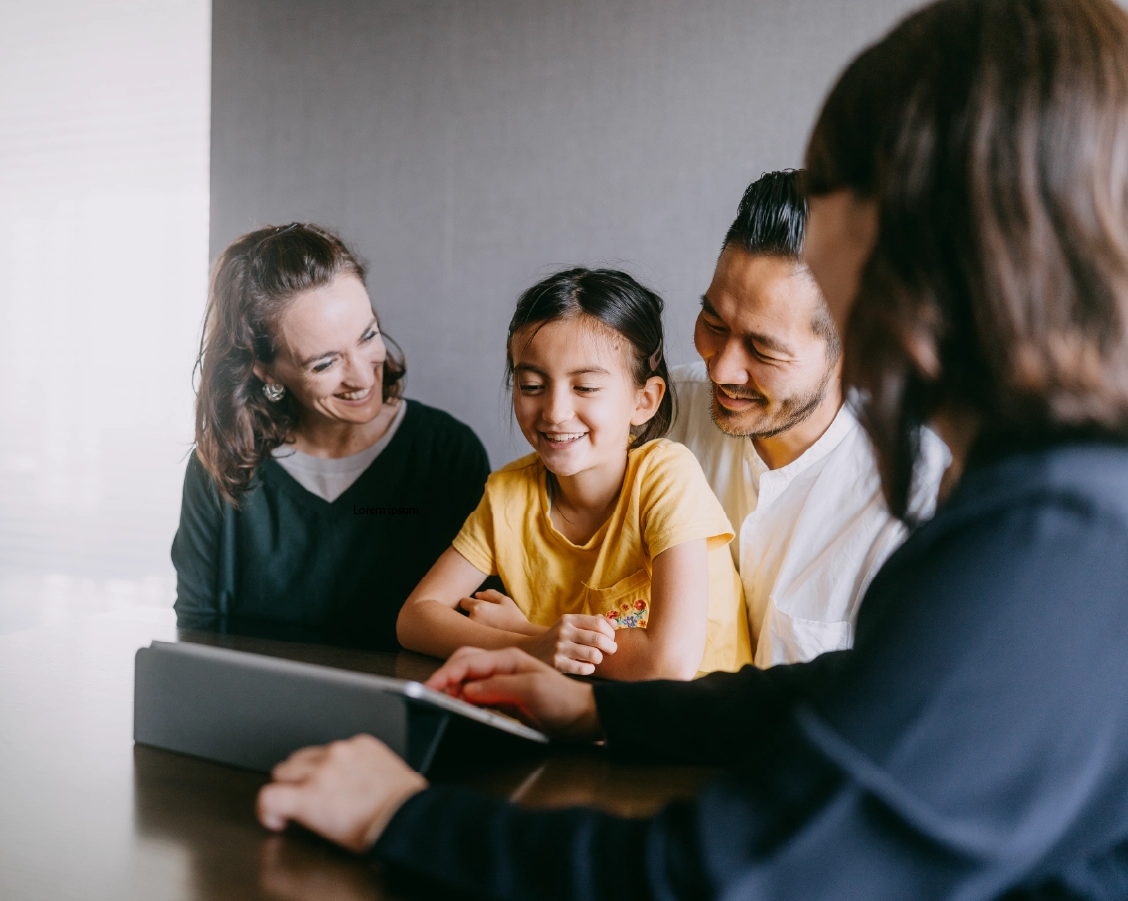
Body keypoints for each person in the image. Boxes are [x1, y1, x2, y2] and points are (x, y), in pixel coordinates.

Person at [253, 0, 1128, 897]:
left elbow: (735, 875)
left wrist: (400, 815)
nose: (716, 360)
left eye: (834, 196)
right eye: (712, 321)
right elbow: (851, 692)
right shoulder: (1061, 502)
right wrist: (602, 704)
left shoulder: (1056, 542)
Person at [396, 268, 751, 679]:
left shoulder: (666, 477)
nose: (554, 412)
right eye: (531, 385)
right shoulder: (508, 492)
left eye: (584, 387)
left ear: (644, 401)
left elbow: (667, 663)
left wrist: (531, 635)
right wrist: (532, 647)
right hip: (575, 722)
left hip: (692, 733)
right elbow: (415, 618)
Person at [669, 168, 949, 666]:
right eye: (713, 322)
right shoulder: (657, 414)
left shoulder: (919, 497)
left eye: (763, 349)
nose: (723, 368)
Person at [171, 223, 489, 649]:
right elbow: (195, 639)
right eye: (324, 364)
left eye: (368, 336)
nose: (361, 376)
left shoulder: (447, 455)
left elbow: (476, 632)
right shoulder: (220, 469)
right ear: (266, 371)